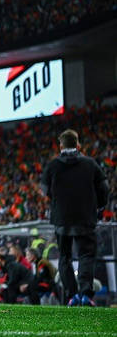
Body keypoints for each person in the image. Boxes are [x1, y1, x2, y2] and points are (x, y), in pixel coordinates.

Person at [41, 128, 108, 307]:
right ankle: (85, 293)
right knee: (86, 254)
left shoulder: (52, 166)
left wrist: (59, 203)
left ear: (60, 145)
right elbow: (104, 188)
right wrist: (99, 206)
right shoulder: (90, 164)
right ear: (78, 144)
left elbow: (45, 190)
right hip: (85, 216)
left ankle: (72, 295)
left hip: (61, 219)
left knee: (65, 257)